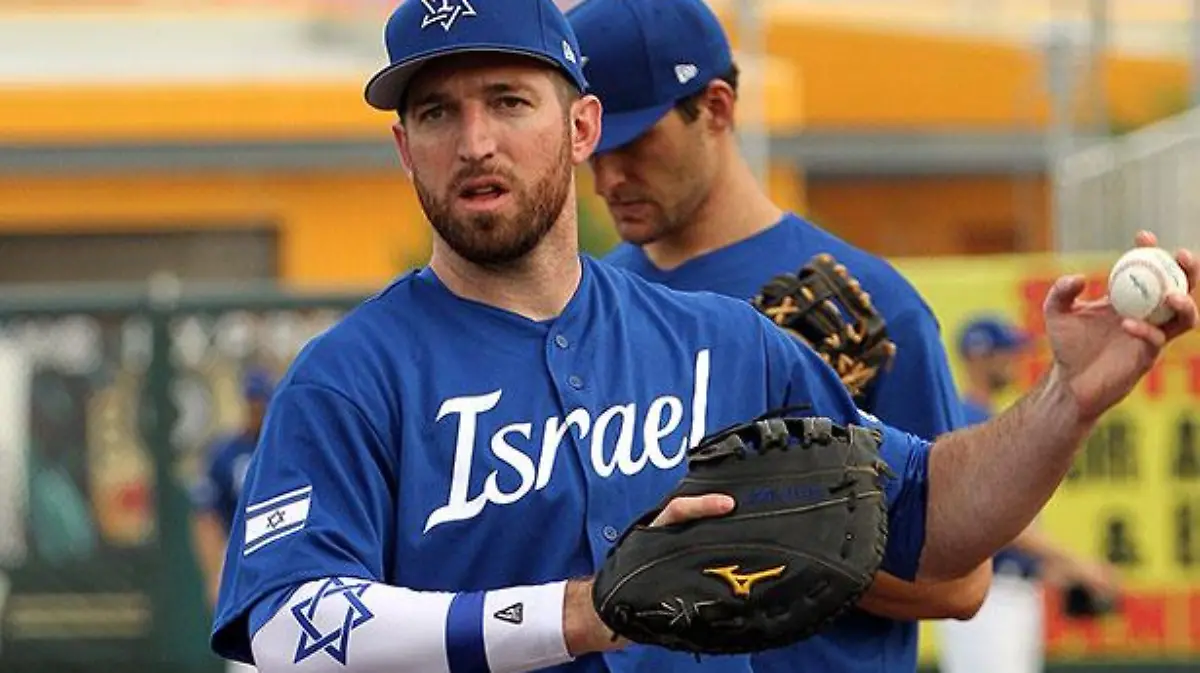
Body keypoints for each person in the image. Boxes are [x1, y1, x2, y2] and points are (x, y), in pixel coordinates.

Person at [206, 1, 1198, 671]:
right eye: (436, 113)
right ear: (402, 146)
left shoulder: (726, 342)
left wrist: (1068, 401)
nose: (474, 142)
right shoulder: (348, 377)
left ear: (581, 127)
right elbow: (290, 625)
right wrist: (573, 613)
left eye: (509, 102)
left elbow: (930, 513)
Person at [564, 0, 988, 671]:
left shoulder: (876, 305)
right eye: (593, 146)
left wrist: (770, 522)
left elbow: (959, 584)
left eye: (636, 142)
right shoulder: (584, 308)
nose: (609, 178)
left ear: (717, 107)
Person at [937, 317, 1120, 673]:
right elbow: (996, 520)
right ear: (978, 357)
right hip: (987, 600)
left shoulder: (990, 417)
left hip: (1009, 594)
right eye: (1005, 352)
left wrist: (1055, 571)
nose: (1014, 360)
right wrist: (1077, 565)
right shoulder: (968, 419)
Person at [190, 368, 276, 673]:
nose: (256, 409)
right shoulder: (227, 452)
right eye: (252, 402)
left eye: (261, 402)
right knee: (245, 658)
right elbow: (206, 516)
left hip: (279, 548)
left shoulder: (284, 447)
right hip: (239, 554)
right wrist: (214, 574)